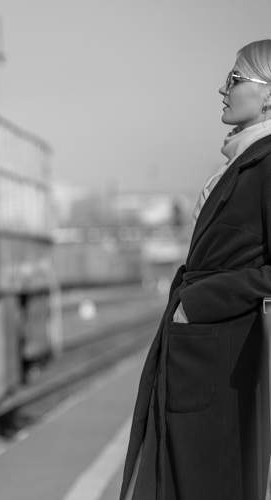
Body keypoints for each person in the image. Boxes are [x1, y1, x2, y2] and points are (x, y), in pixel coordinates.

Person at [119, 39, 271, 500]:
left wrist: (198, 302)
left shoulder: (267, 165)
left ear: (268, 94)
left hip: (224, 365)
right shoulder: (244, 161)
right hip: (203, 361)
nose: (222, 89)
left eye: (235, 78)